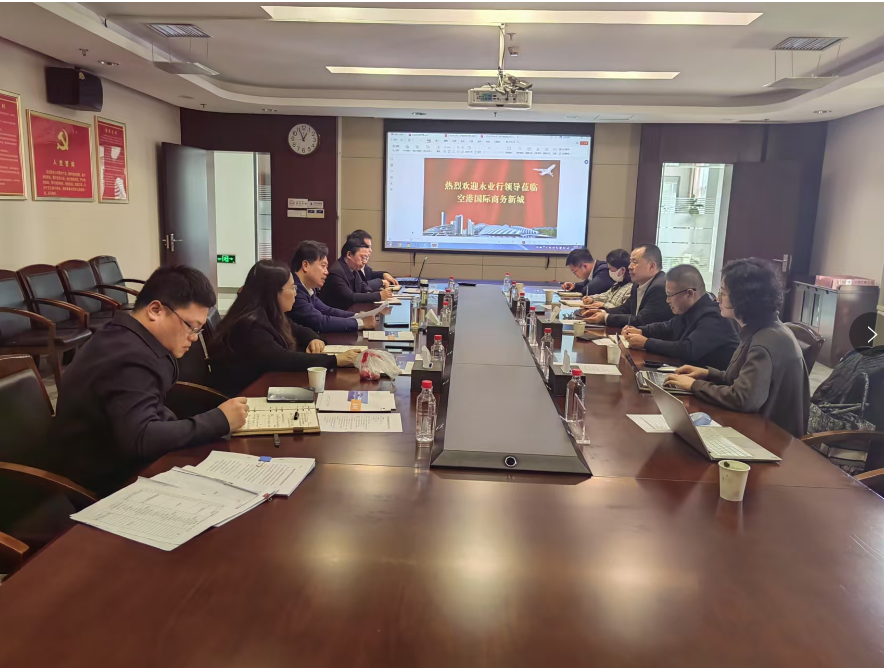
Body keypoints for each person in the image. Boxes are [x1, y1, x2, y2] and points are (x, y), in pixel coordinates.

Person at [50, 266, 249, 496]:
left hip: (121, 461)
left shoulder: (125, 336)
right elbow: (141, 438)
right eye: (191, 327)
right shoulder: (128, 357)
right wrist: (219, 420)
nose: (194, 338)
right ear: (155, 310)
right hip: (103, 484)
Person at [664, 258, 810, 437]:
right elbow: (743, 381)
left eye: (723, 292)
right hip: (757, 427)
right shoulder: (762, 328)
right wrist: (708, 374)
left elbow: (743, 398)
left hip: (770, 438)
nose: (718, 298)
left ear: (744, 298)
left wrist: (695, 385)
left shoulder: (766, 341)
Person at [209, 260, 362, 395]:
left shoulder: (269, 313)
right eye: (292, 288)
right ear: (273, 293)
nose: (295, 293)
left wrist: (312, 339)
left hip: (266, 384)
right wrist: (335, 360)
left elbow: (297, 328)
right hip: (246, 396)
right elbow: (282, 359)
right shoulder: (250, 324)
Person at [621, 264, 740, 370]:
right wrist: (641, 331)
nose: (667, 300)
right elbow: (667, 327)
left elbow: (687, 349)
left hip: (713, 383)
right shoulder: (689, 310)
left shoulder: (714, 316)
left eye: (670, 295)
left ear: (689, 294)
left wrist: (646, 343)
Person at [288, 240, 377, 333]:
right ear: (305, 265)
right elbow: (320, 322)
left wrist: (358, 316)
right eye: (323, 266)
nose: (326, 272)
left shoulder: (307, 288)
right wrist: (361, 323)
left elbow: (326, 310)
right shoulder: (294, 290)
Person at [583, 244, 672, 328]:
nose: (629, 266)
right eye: (630, 262)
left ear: (651, 266)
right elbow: (625, 309)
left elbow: (643, 320)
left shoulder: (660, 287)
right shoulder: (637, 285)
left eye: (635, 262)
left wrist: (606, 318)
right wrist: (603, 311)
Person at [320, 237, 394, 310]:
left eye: (366, 258)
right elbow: (350, 297)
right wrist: (379, 296)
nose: (365, 262)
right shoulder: (336, 272)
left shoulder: (353, 268)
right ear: (349, 254)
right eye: (362, 257)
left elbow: (362, 286)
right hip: (336, 314)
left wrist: (376, 292)